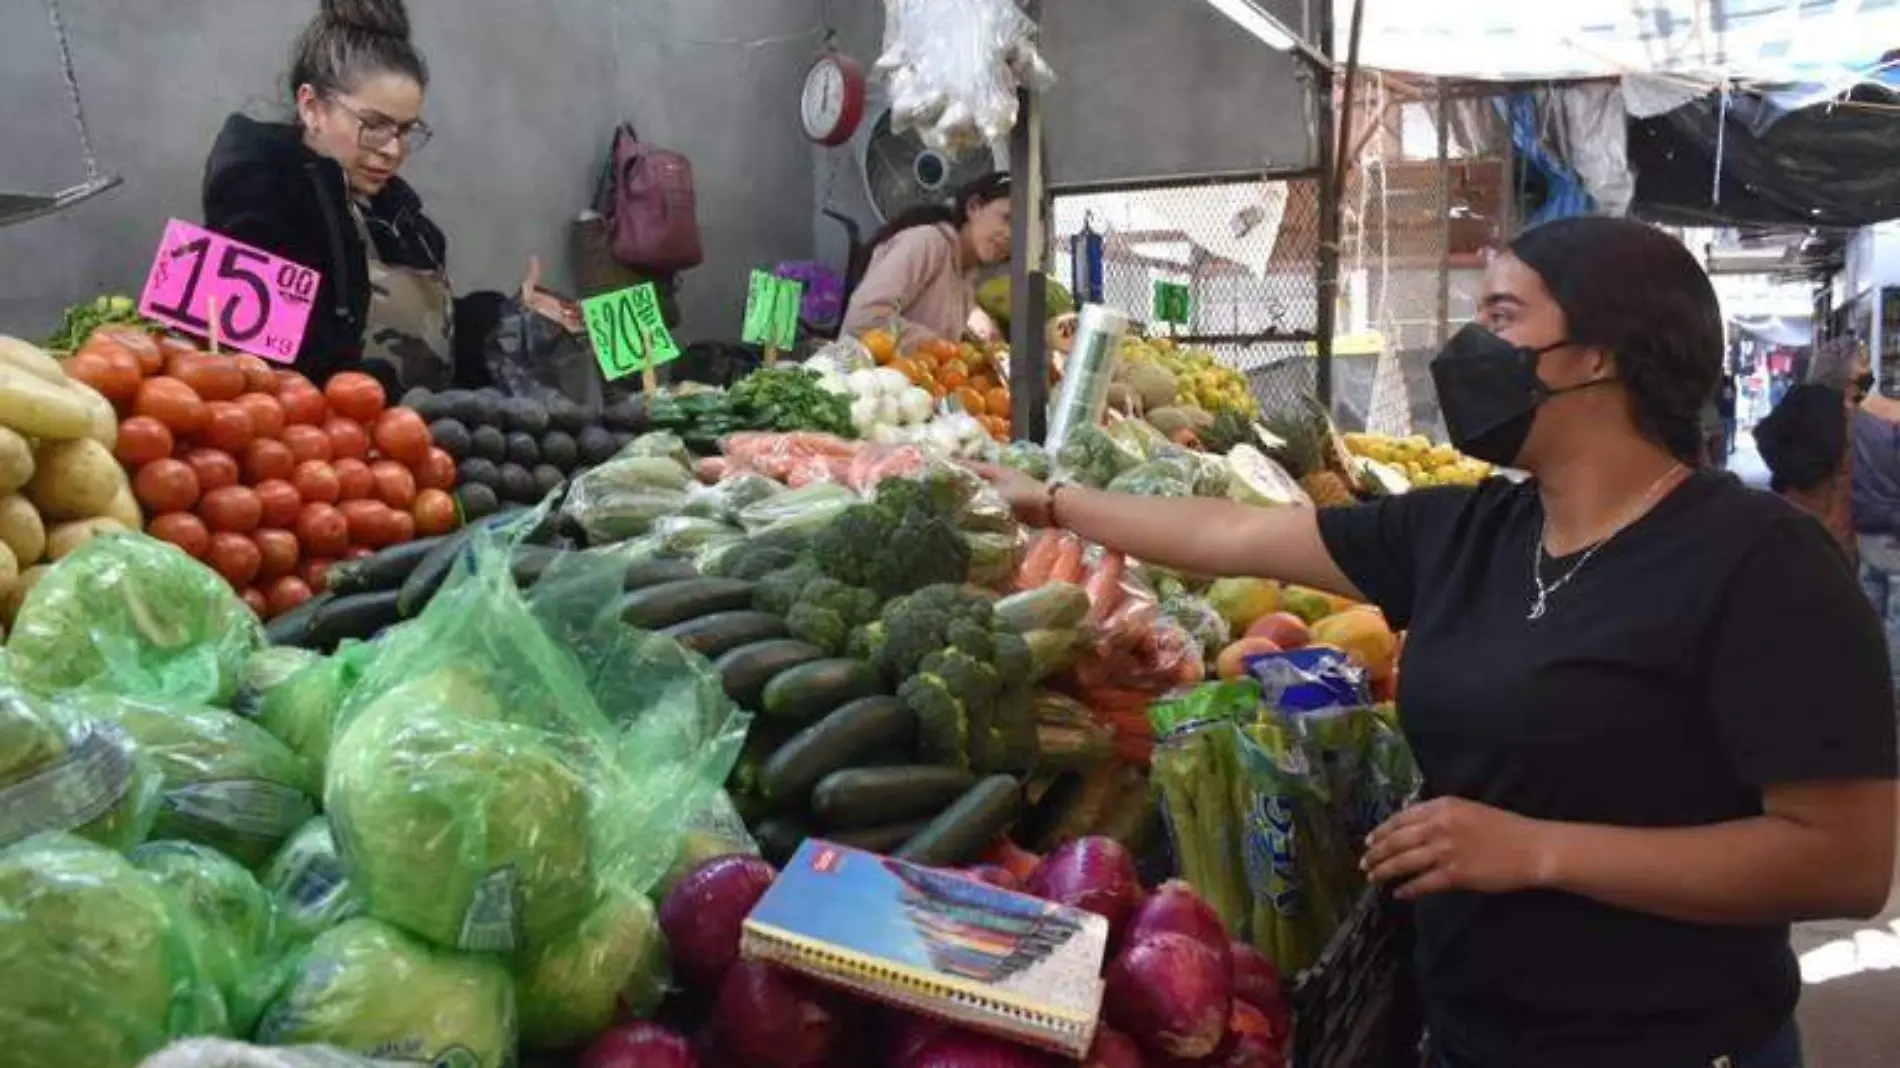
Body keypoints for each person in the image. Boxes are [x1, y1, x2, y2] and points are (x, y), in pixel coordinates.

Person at [976, 216, 1897, 1068]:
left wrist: (1539, 849)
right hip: (1469, 1031)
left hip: (1676, 1043)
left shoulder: (1761, 564)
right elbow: (1232, 534)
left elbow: (1844, 860)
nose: (1470, 347)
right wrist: (1047, 501)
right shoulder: (1467, 531)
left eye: (1503, 315)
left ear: (1594, 356)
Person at [202, 0, 570, 391]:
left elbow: (432, 353)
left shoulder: (410, 226)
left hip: (409, 445)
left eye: (405, 130)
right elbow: (263, 361)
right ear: (311, 106)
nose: (392, 151)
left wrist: (507, 322)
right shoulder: (260, 193)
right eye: (374, 126)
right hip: (310, 443)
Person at [839, 172, 1012, 344]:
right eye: (1007, 218)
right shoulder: (927, 242)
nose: (1010, 235)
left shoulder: (967, 278)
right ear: (974, 207)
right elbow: (864, 318)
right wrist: (940, 349)